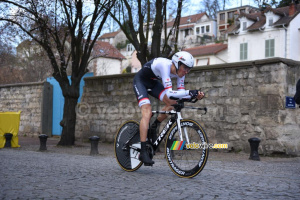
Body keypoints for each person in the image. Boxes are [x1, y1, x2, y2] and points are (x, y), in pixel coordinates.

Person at [133, 51, 205, 165]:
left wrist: (195, 95)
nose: (186, 71)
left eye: (189, 69)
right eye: (185, 68)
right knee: (147, 112)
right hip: (140, 81)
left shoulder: (180, 72)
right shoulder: (164, 66)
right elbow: (170, 93)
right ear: (177, 64)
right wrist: (190, 92)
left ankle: (153, 127)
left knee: (173, 104)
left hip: (153, 83)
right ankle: (143, 152)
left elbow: (180, 94)